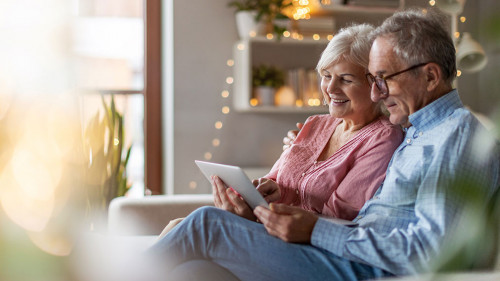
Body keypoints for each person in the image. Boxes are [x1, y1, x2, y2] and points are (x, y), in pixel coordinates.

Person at [148, 8, 500, 281]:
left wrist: (318, 231)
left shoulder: (457, 137)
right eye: (373, 80)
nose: (377, 93)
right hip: (351, 258)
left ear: (431, 76)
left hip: (363, 270)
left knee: (206, 224)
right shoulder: (418, 131)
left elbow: (431, 251)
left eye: (383, 80)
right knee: (190, 270)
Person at [159, 23, 403, 236]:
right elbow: (276, 181)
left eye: (346, 79)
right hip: (267, 227)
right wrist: (264, 193)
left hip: (303, 245)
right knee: (177, 229)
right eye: (326, 75)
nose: (330, 88)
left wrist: (259, 216)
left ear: (376, 85)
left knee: (193, 224)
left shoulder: (383, 137)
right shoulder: (315, 124)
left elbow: (339, 218)